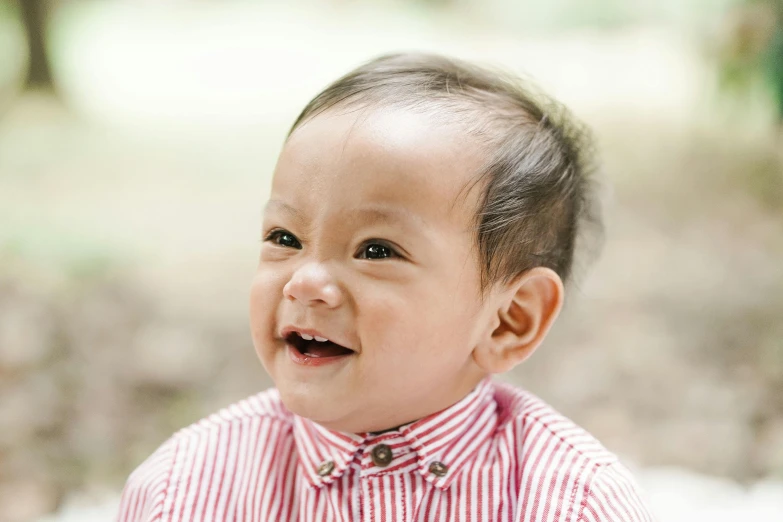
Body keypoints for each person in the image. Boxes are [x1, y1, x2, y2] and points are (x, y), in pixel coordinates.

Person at [117, 53, 656, 522]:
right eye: (285, 237)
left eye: (376, 250)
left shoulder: (573, 502)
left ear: (509, 319)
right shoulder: (184, 490)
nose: (305, 281)